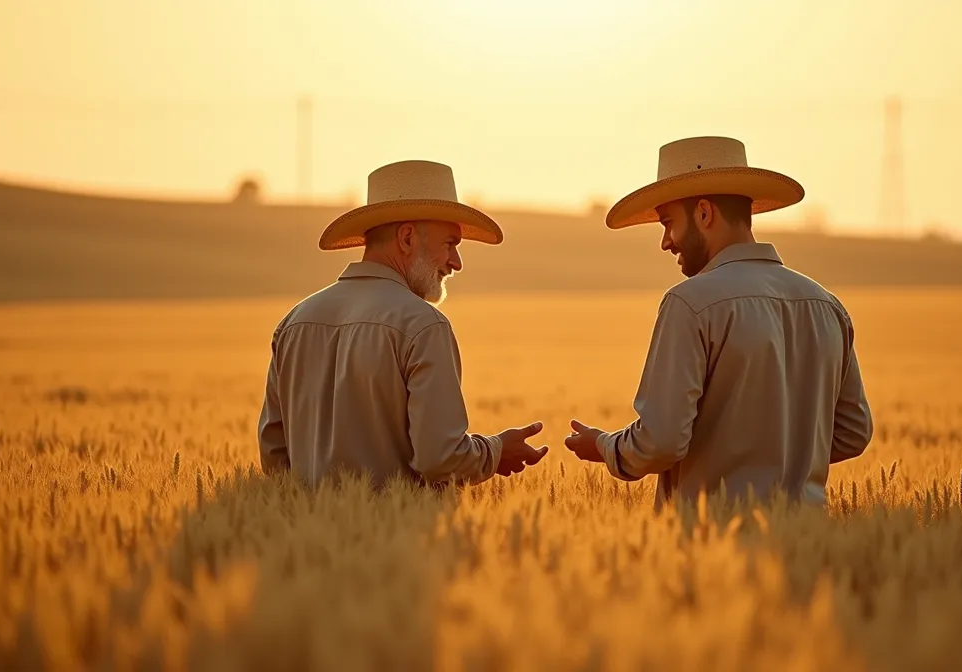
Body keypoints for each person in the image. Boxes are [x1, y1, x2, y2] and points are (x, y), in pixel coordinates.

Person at [564, 137, 873, 506]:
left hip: (712, 541)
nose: (666, 242)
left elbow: (661, 441)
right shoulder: (827, 305)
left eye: (668, 223)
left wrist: (604, 445)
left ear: (705, 213)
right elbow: (854, 432)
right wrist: (783, 453)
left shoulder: (690, 303)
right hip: (808, 544)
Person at [258, 159, 548, 487]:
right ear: (407, 238)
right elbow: (442, 459)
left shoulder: (294, 323)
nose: (457, 263)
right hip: (401, 538)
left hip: (304, 535)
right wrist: (494, 451)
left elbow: (274, 457)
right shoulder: (423, 326)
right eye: (450, 245)